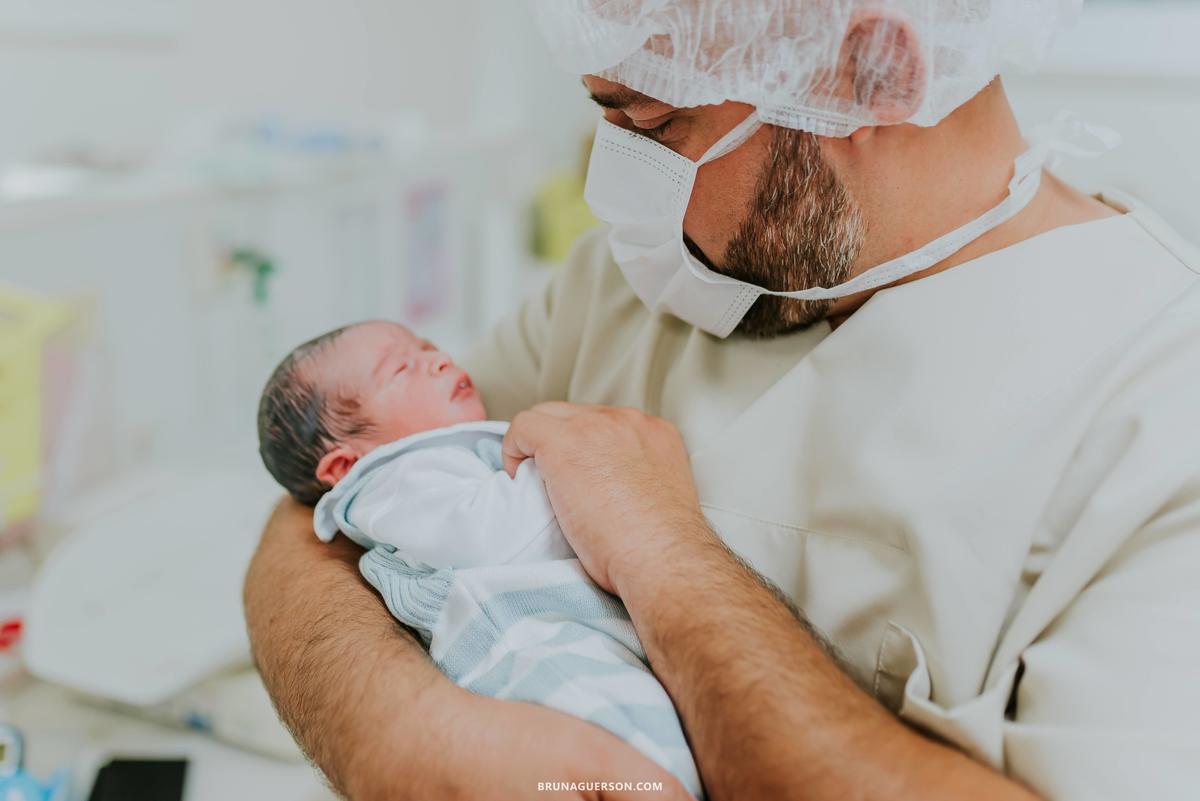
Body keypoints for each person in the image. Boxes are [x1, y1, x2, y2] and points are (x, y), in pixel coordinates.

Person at [244, 2, 1200, 799]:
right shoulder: (648, 274)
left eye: (651, 124)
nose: (609, 184)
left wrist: (665, 556)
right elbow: (326, 498)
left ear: (870, 70)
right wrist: (410, 743)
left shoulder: (1156, 412)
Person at [254, 320, 701, 795]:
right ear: (347, 464)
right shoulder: (393, 484)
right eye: (402, 368)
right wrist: (565, 455)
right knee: (646, 773)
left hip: (580, 658)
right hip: (547, 665)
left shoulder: (445, 461)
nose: (439, 360)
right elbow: (503, 538)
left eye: (429, 347)